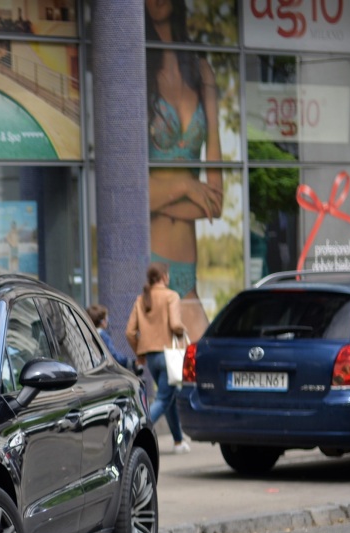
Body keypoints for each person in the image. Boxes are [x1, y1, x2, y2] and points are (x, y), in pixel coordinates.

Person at [146, 0, 222, 342]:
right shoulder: (138, 70)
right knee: (160, 385)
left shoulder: (201, 73)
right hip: (149, 264)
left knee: (199, 374)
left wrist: (159, 195)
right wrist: (187, 186)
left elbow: (214, 202)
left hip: (187, 272)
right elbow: (130, 195)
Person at [125, 262, 189, 453]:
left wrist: (139, 353)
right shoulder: (171, 296)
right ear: (163, 276)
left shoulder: (141, 298)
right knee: (163, 399)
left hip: (151, 358)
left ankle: (178, 441)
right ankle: (133, 434)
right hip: (169, 355)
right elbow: (176, 324)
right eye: (167, 275)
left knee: (167, 398)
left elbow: (129, 332)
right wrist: (183, 330)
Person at [86, 303, 133, 369]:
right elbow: (113, 355)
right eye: (106, 318)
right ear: (102, 321)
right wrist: (128, 362)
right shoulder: (103, 335)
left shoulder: (88, 335)